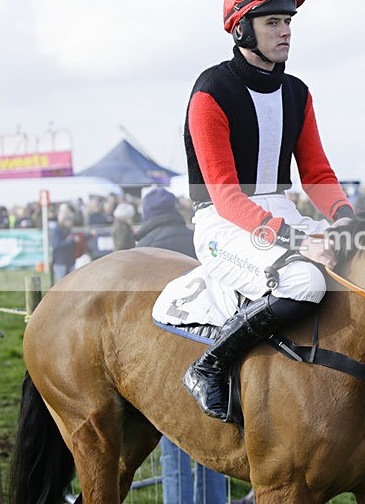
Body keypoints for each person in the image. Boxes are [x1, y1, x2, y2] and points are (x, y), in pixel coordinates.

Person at [181, 0, 354, 421]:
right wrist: (297, 241)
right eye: (274, 22)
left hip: (278, 212)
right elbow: (224, 196)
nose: (286, 32)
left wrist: (346, 218)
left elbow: (317, 172)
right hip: (223, 222)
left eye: (289, 22)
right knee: (306, 282)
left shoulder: (297, 91)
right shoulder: (210, 91)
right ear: (242, 29)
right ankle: (208, 366)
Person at [135, 187, 229, 504]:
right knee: (211, 443)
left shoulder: (142, 250)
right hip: (209, 345)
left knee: (174, 444)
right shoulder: (196, 237)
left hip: (166, 352)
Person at [49, 210, 78, 284]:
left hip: (70, 261)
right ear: (64, 220)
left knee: (72, 283)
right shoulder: (56, 230)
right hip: (60, 262)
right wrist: (69, 241)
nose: (71, 222)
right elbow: (56, 245)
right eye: (69, 220)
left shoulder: (69, 230)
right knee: (61, 284)